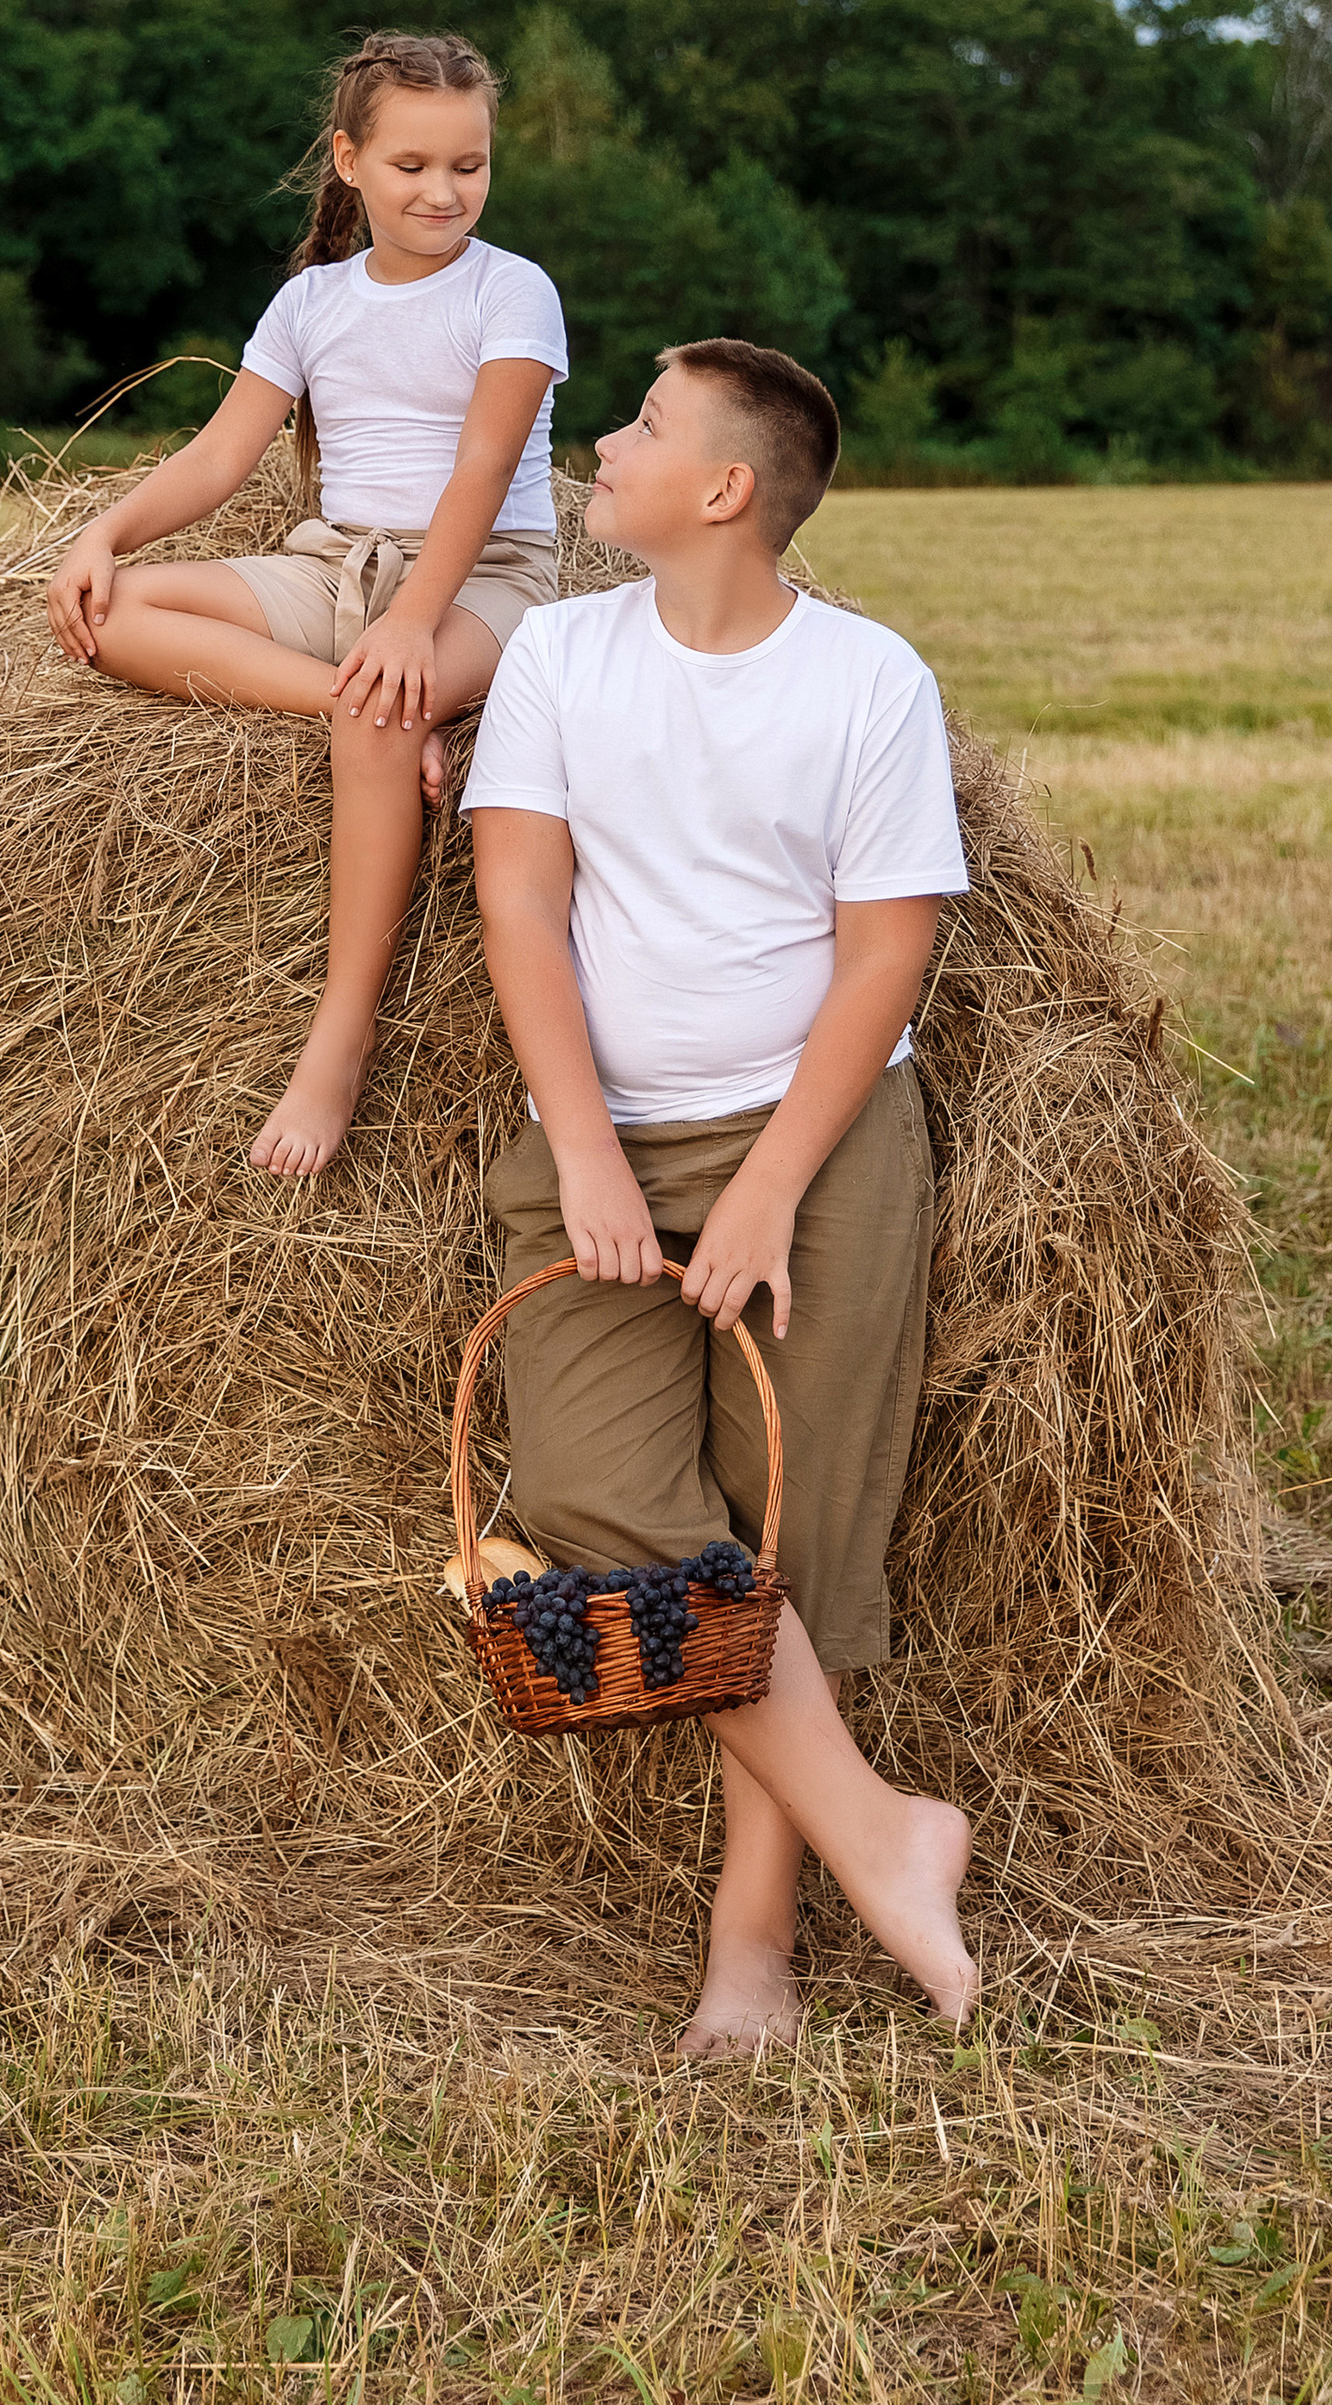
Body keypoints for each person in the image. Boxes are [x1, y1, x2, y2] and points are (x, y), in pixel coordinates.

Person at [463, 336, 978, 2055]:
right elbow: (520, 909)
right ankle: (883, 1831)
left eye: (641, 425)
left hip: (819, 1146)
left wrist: (767, 1187)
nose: (599, 441)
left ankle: (748, 1940)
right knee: (606, 1504)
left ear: (725, 490)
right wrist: (590, 1152)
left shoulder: (868, 681)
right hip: (600, 1136)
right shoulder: (556, 654)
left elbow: (885, 955)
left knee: (796, 1537)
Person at [47, 31, 567, 1177]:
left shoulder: (513, 290)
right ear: (349, 160)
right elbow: (221, 455)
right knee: (116, 613)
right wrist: (103, 533)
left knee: (384, 705)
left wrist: (412, 622)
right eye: (413, 165)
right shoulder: (311, 303)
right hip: (334, 564)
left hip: (486, 576)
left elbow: (482, 473)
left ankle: (339, 1038)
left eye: (468, 166)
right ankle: (354, 701)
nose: (444, 192)